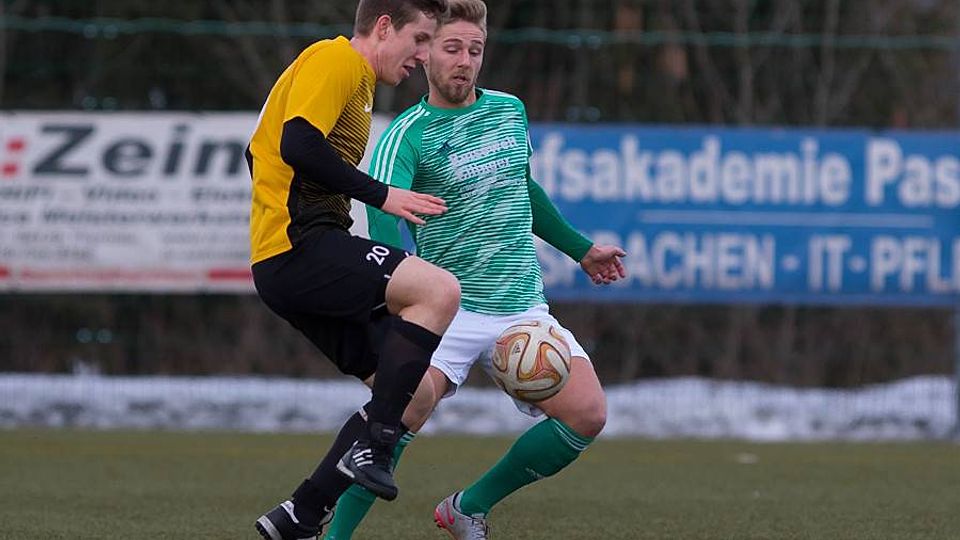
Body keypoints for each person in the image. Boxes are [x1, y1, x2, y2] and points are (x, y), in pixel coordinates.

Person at [323, 1, 626, 538]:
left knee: (588, 414)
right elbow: (383, 215)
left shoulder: (509, 110)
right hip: (447, 310)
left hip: (521, 306)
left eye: (475, 49)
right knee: (394, 422)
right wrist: (400, 298)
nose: (464, 61)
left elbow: (522, 188)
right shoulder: (407, 134)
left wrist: (580, 250)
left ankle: (467, 507)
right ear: (426, 52)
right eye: (452, 48)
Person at [246, 1, 461, 539]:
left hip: (293, 256)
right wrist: (381, 195)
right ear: (383, 27)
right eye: (420, 38)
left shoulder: (357, 83)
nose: (424, 55)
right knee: (438, 290)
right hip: (300, 247)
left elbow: (259, 151)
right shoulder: (336, 59)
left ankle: (301, 513)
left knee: (418, 394)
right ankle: (378, 444)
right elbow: (297, 143)